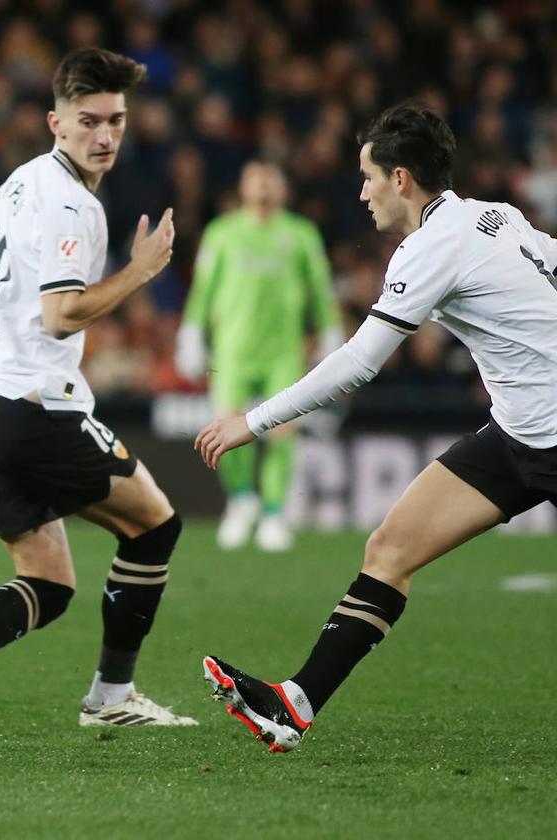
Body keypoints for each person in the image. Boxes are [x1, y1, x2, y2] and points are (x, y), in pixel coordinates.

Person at [194, 102, 557, 752]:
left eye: (368, 176)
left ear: (402, 180)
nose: (361, 192)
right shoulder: (495, 215)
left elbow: (358, 364)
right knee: (390, 549)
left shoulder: (432, 246)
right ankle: (292, 707)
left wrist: (252, 420)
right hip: (518, 434)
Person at [0, 48, 196, 734]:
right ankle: (111, 698)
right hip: (35, 406)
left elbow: (3, 298)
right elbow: (60, 312)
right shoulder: (73, 205)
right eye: (89, 121)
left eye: (117, 122)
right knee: (156, 526)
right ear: (55, 123)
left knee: (49, 583)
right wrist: (141, 271)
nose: (105, 136)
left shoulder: (22, 182)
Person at [176, 160, 342, 551]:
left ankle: (272, 514)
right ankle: (241, 500)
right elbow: (203, 289)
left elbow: (320, 288)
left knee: (284, 431)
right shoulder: (223, 233)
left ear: (284, 190)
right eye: (257, 181)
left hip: (283, 352)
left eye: (272, 181)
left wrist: (331, 329)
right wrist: (191, 331)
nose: (265, 188)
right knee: (224, 429)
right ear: (243, 188)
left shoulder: (301, 234)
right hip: (232, 351)